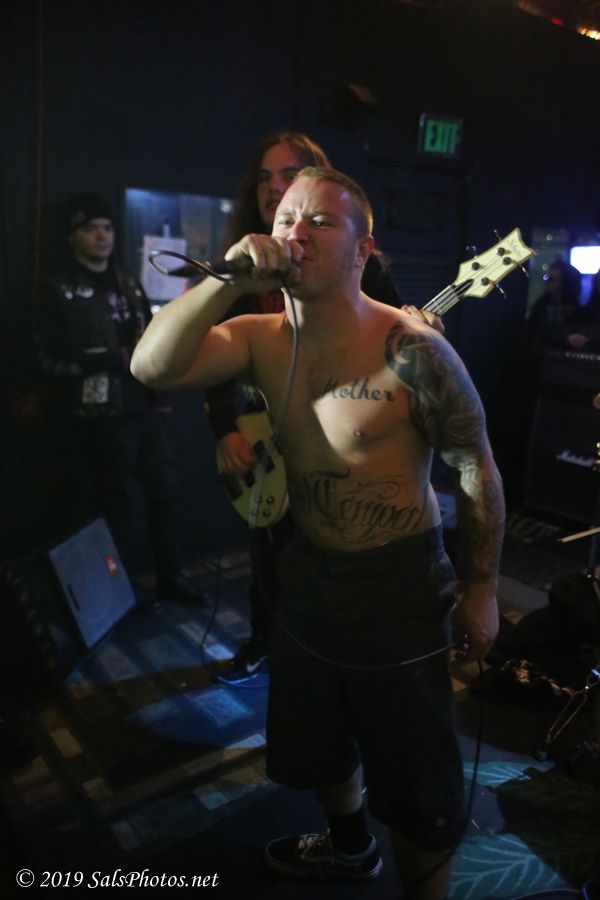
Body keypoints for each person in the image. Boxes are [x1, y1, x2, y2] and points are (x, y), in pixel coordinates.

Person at [131, 166, 505, 898]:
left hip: (399, 581)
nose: (295, 233)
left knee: (416, 772)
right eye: (285, 220)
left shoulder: (414, 348)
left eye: (320, 222)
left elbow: (475, 465)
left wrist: (484, 588)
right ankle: (349, 845)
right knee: (318, 736)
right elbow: (152, 366)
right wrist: (228, 282)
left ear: (364, 250)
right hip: (309, 570)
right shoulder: (259, 335)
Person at [204, 130, 421, 684]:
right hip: (262, 432)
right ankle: (265, 641)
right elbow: (202, 354)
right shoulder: (245, 266)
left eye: (288, 175)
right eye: (264, 179)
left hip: (329, 438)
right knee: (266, 547)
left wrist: (418, 334)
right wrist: (225, 428)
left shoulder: (361, 265)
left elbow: (396, 340)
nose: (273, 188)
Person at [35, 193, 202, 605]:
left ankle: (170, 577)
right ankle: (120, 592)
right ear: (72, 236)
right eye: (90, 228)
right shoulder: (57, 288)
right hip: (98, 415)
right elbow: (46, 356)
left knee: (166, 492)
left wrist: (157, 391)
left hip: (142, 408)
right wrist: (112, 358)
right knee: (115, 506)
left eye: (107, 228)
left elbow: (149, 340)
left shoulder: (128, 281)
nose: (101, 236)